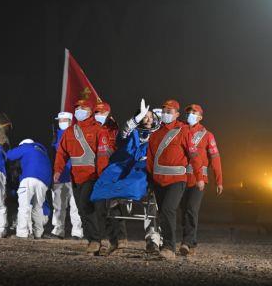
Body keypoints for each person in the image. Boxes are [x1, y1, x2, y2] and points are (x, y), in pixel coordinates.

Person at [91, 99, 162, 255]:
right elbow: (123, 135)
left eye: (150, 116)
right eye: (145, 116)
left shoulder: (159, 133)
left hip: (145, 172)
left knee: (150, 206)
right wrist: (136, 120)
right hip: (125, 165)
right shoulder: (132, 132)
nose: (148, 119)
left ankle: (153, 240)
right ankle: (115, 239)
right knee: (109, 186)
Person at [146, 99, 203, 260]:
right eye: (164, 111)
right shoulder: (156, 134)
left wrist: (199, 177)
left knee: (168, 210)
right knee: (162, 213)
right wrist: (150, 180)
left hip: (177, 180)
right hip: (158, 181)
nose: (165, 114)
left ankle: (169, 248)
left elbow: (194, 156)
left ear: (177, 115)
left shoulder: (184, 131)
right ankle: (167, 245)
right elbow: (150, 160)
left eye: (169, 112)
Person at [54, 99, 111, 255]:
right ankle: (93, 240)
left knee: (87, 206)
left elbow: (102, 155)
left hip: (92, 176)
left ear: (90, 111)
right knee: (81, 210)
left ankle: (95, 241)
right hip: (76, 177)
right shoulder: (70, 131)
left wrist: (101, 175)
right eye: (77, 107)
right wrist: (57, 170)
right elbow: (61, 153)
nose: (79, 110)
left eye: (83, 107)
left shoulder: (99, 131)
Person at [180, 104, 223, 255]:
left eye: (194, 112)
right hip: (180, 178)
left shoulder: (207, 135)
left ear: (200, 117)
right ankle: (191, 242)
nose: (190, 114)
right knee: (183, 210)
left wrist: (219, 180)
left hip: (199, 180)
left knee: (192, 209)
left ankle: (186, 242)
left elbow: (215, 159)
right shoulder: (180, 130)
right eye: (188, 112)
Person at [44, 111, 84, 240]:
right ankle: (58, 230)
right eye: (60, 121)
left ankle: (77, 232)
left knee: (75, 206)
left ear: (70, 121)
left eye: (64, 120)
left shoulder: (76, 134)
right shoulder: (56, 135)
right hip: (60, 176)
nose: (61, 123)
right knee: (58, 205)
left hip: (73, 175)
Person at [7, 139, 52, 239]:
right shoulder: (43, 152)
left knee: (24, 206)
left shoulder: (26, 146)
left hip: (29, 178)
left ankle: (22, 234)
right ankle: (38, 234)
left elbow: (10, 155)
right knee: (38, 207)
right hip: (44, 182)